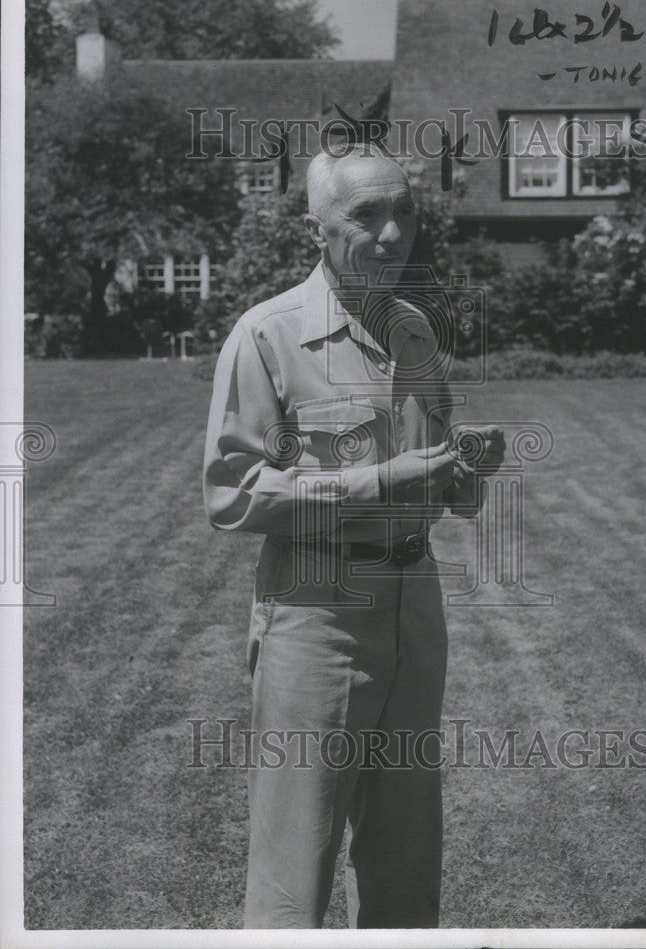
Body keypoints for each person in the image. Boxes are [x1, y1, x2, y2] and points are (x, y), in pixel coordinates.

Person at [202, 144, 505, 929]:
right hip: (315, 618)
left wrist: (467, 472)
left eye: (403, 211)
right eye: (366, 214)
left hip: (413, 605)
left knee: (406, 854)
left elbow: (443, 490)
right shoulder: (267, 336)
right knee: (295, 864)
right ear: (318, 228)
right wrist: (378, 483)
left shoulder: (414, 332)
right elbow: (233, 495)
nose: (392, 232)